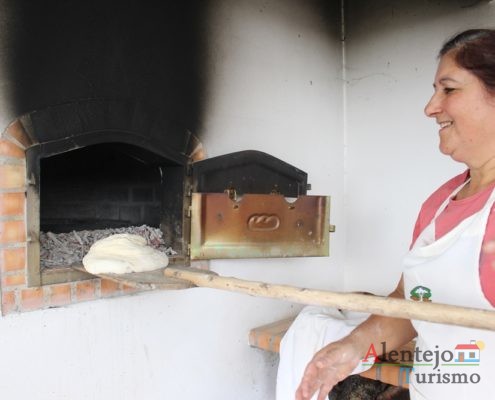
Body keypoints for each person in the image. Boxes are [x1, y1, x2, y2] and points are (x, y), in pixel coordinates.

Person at [295, 29, 495, 400]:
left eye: (448, 89)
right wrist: (353, 348)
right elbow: (410, 306)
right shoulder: (438, 204)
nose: (431, 107)